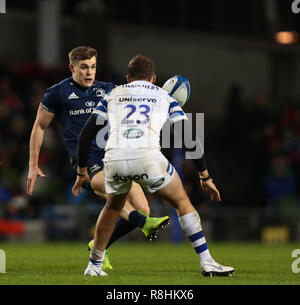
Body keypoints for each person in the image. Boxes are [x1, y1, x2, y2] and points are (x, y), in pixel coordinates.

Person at [72, 54, 235, 277]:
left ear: (128, 78)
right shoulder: (163, 96)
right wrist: (205, 176)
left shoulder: (113, 93)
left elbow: (85, 137)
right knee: (181, 201)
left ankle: (94, 266)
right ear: (154, 78)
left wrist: (82, 172)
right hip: (147, 157)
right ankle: (207, 262)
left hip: (114, 159)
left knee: (112, 207)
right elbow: (187, 137)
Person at [27, 46, 170, 271]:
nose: (89, 72)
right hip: (87, 162)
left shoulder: (108, 90)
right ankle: (143, 225)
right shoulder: (58, 93)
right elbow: (40, 126)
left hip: (116, 157)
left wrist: (162, 96)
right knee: (115, 197)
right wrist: (33, 164)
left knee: (144, 208)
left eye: (93, 67)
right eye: (83, 67)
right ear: (71, 68)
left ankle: (100, 245)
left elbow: (139, 99)